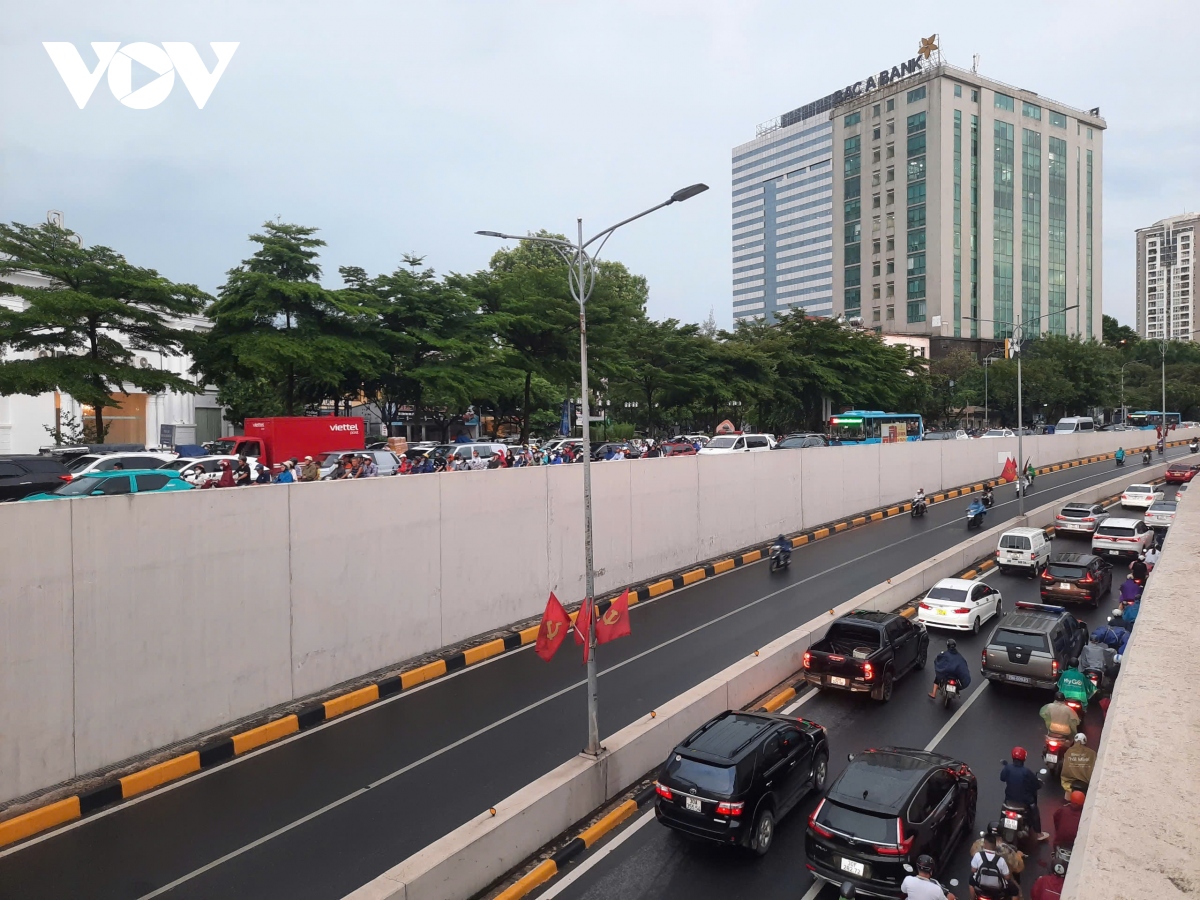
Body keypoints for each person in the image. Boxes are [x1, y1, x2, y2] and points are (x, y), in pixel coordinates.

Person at [1001, 747, 1048, 841]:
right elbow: (1036, 784)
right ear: (1024, 758)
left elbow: (1002, 778)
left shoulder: (1007, 768)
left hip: (1009, 800)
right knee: (1034, 809)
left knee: (1003, 808)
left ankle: (1000, 826)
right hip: (1024, 801)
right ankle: (1039, 833)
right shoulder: (1027, 772)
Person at [969, 824, 1014, 899]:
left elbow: (973, 868)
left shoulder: (978, 847)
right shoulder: (1006, 850)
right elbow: (1008, 875)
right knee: (1015, 891)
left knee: (971, 880)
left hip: (980, 885)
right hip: (998, 888)